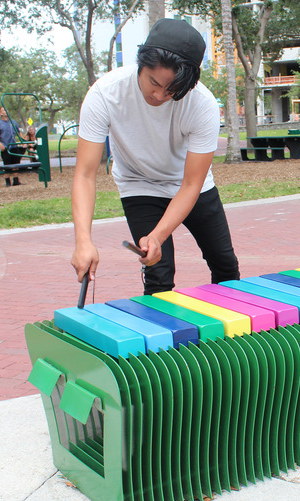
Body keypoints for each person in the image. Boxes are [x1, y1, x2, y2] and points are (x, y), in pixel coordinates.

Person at [71, 18, 240, 295]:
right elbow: (85, 174)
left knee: (225, 266)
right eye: (153, 82)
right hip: (139, 184)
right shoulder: (105, 94)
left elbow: (191, 185)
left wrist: (158, 235)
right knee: (158, 274)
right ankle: (162, 339)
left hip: (190, 186)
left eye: (172, 90)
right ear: (141, 63)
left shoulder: (203, 104)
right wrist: (83, 240)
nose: (160, 95)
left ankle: (231, 334)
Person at [0, 107, 24, 186]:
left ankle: (16, 181)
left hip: (14, 146)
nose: (6, 112)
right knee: (7, 164)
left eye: (7, 110)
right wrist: (0, 145)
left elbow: (18, 132)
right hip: (5, 147)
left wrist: (23, 141)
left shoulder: (13, 122)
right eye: (4, 110)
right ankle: (7, 181)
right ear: (0, 113)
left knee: (16, 163)